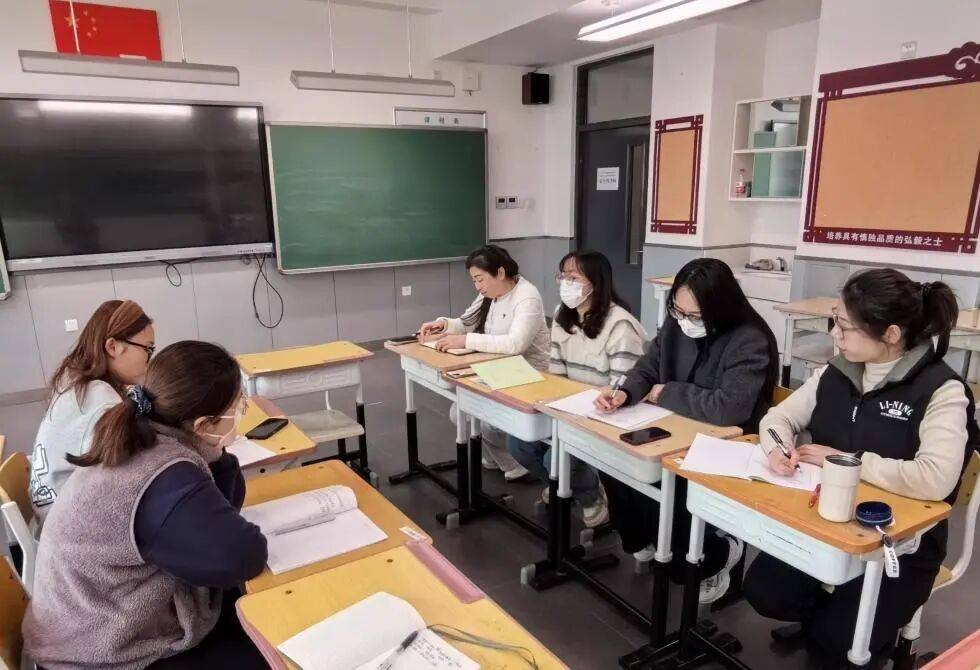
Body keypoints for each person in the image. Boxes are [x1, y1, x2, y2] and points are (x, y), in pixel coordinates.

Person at [745, 269, 979, 666]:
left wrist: (847, 463)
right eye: (835, 321)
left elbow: (935, 479)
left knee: (842, 640)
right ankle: (828, 624)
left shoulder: (941, 390)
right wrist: (777, 449)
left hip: (900, 543)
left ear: (890, 334)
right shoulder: (837, 372)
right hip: (825, 523)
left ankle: (856, 639)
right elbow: (777, 419)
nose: (834, 335)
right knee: (764, 592)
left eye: (845, 327)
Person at [23, 341, 269, 670]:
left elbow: (222, 510)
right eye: (238, 407)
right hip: (96, 655)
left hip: (86, 626)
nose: (240, 415)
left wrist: (215, 450)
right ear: (202, 425)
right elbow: (242, 556)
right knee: (271, 643)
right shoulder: (164, 474)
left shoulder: (144, 436)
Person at [595, 257, 779, 603]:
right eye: (678, 311)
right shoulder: (677, 323)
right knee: (615, 461)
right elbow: (648, 366)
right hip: (675, 430)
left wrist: (665, 393)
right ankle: (648, 538)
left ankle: (719, 555)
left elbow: (729, 409)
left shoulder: (748, 340)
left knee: (668, 490)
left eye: (695, 316)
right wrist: (625, 393)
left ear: (721, 309)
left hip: (726, 443)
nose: (684, 321)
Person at [507, 250, 647, 527]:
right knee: (519, 443)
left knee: (555, 460)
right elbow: (557, 373)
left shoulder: (620, 325)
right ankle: (570, 486)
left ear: (596, 282)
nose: (565, 283)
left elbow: (623, 385)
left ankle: (591, 496)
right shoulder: (563, 315)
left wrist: (588, 405)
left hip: (605, 414)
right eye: (562, 276)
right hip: (568, 408)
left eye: (573, 277)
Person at [420, 245, 550, 480]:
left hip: (528, 375)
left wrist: (466, 340)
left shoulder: (526, 296)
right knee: (460, 410)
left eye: (480, 279)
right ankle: (504, 459)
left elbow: (514, 344)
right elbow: (466, 322)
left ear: (500, 273)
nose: (477, 286)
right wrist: (443, 324)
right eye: (474, 281)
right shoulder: (489, 293)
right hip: (497, 369)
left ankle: (515, 463)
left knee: (481, 418)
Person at [29, 299, 155, 522]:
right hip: (67, 525)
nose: (149, 359)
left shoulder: (73, 378)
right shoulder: (101, 401)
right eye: (148, 348)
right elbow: (123, 479)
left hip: (49, 511)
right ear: (112, 347)